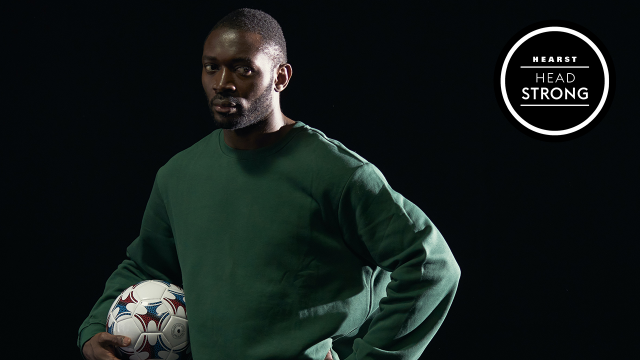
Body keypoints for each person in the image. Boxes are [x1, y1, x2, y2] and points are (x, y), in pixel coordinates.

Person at [78, 8, 461, 360]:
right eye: (212, 68)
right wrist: (95, 329)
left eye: (243, 69)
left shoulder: (338, 173)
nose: (223, 83)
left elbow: (431, 265)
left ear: (281, 76)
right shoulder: (178, 174)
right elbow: (144, 265)